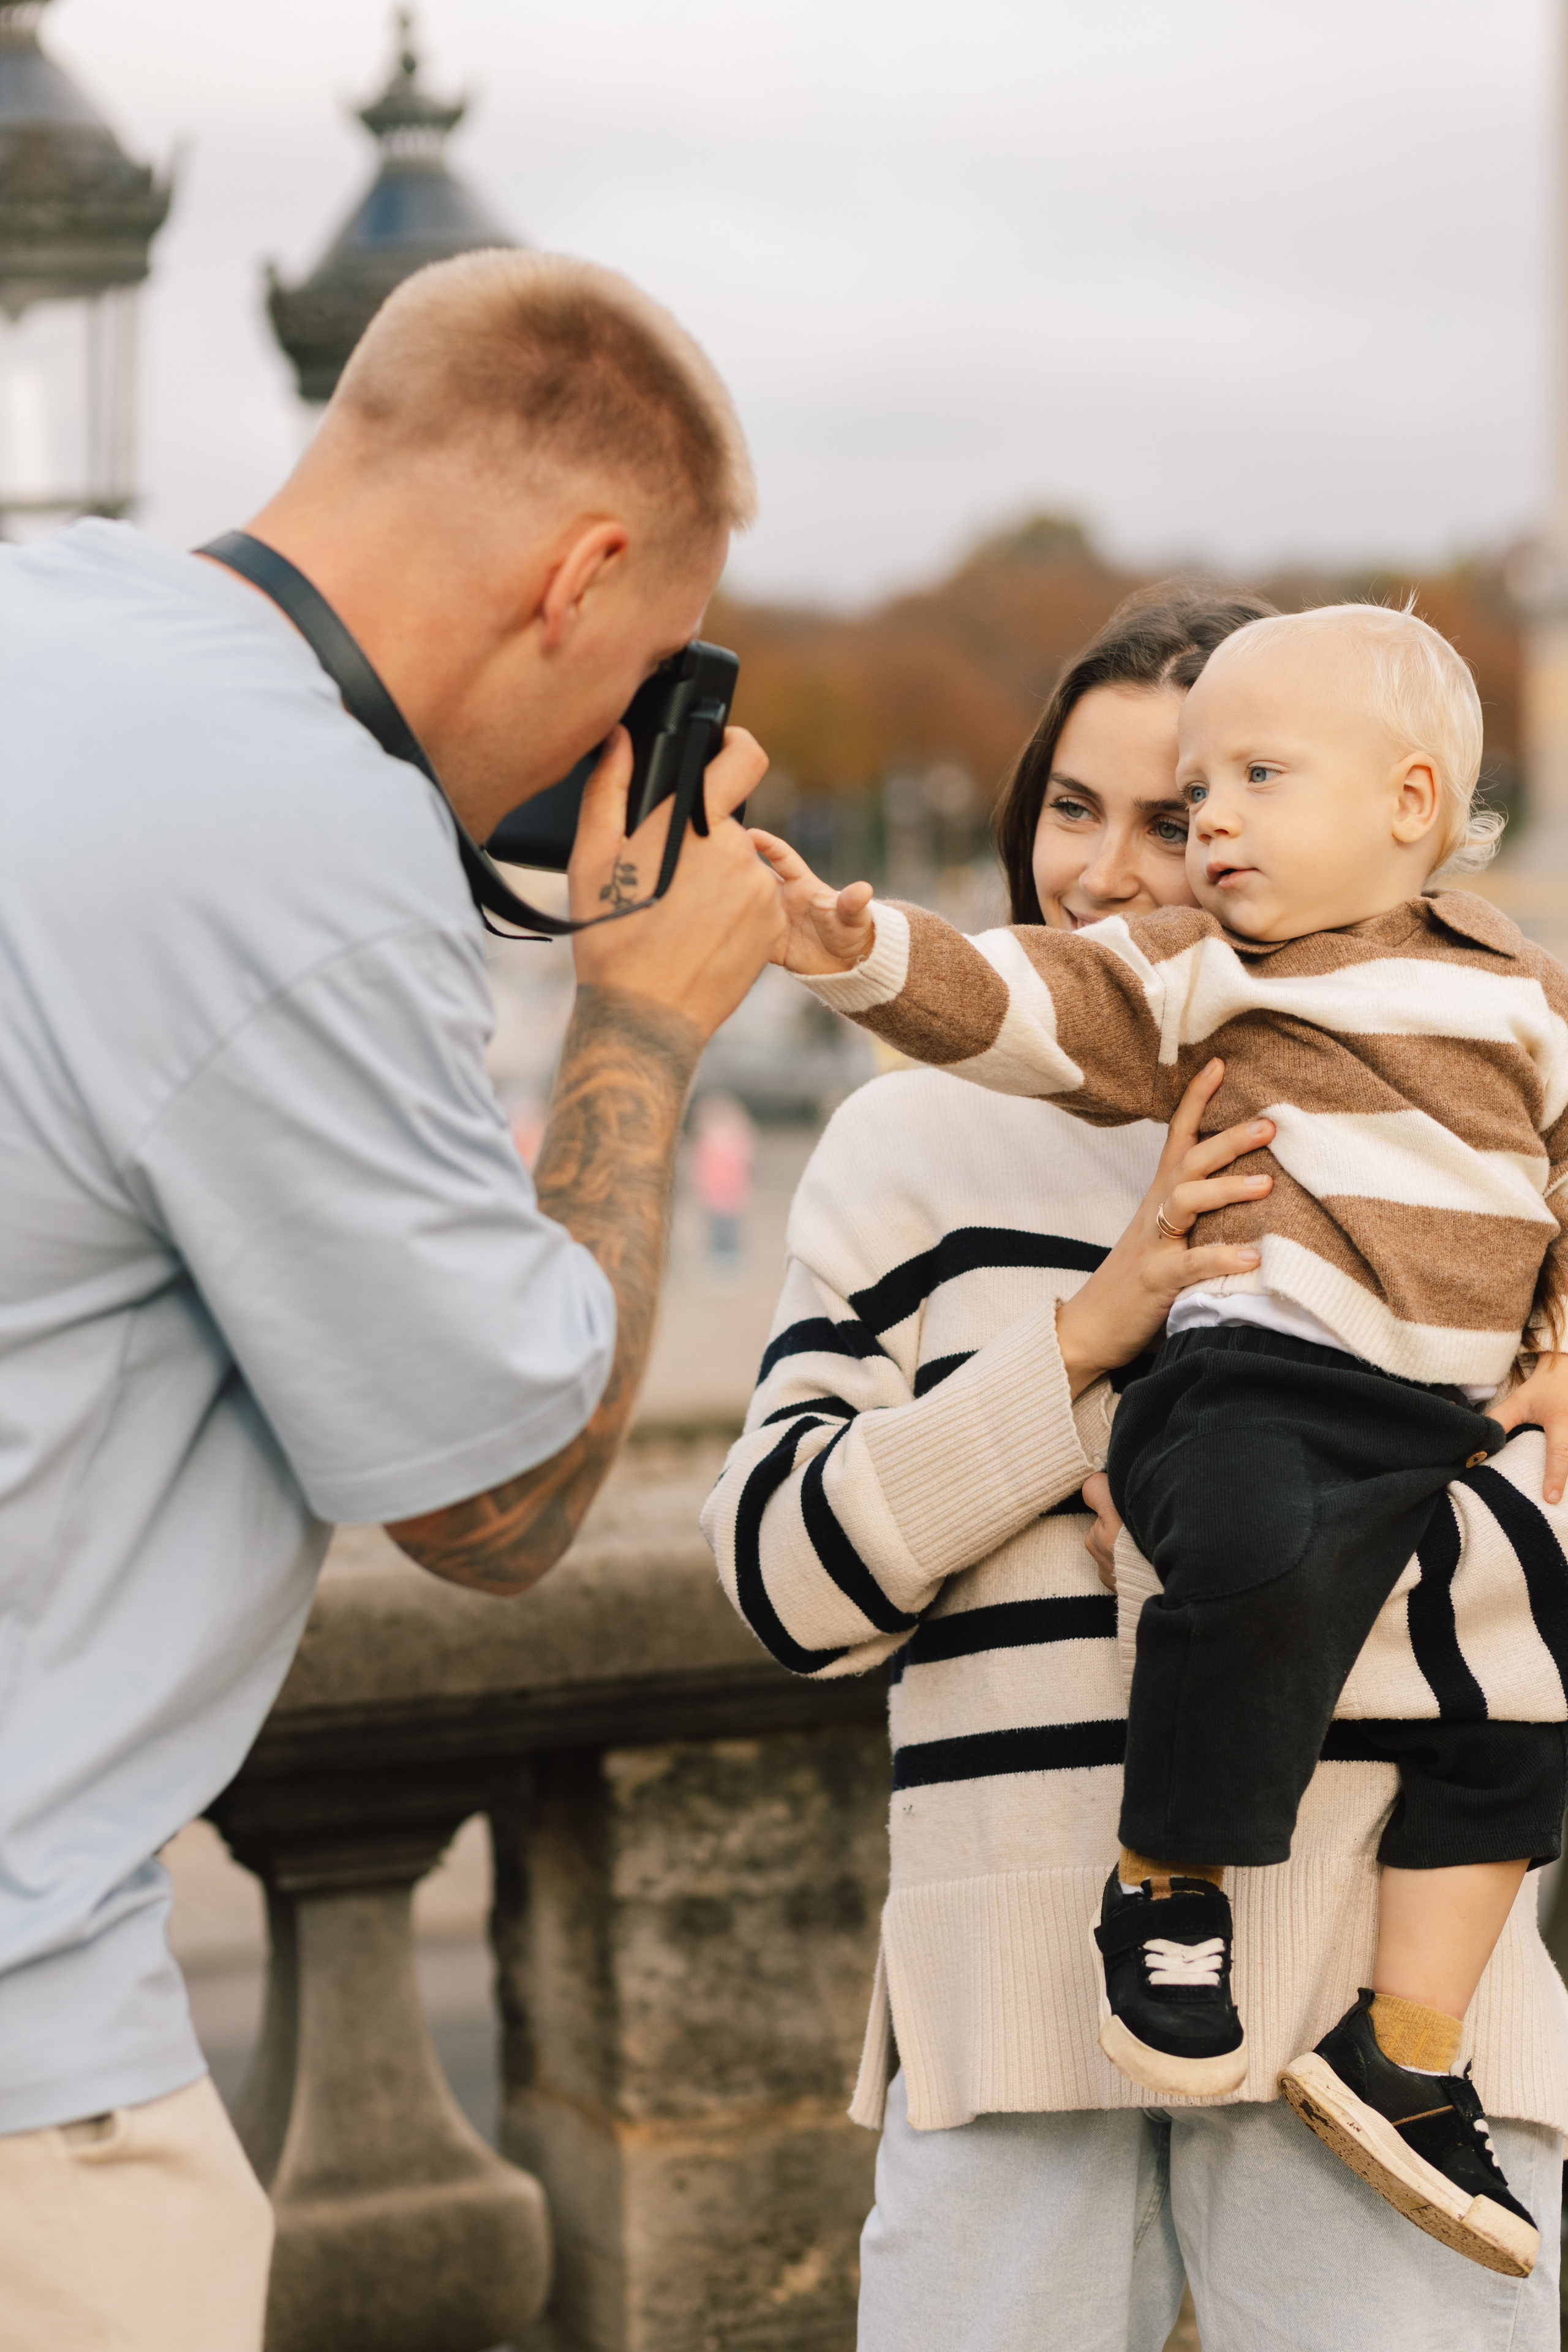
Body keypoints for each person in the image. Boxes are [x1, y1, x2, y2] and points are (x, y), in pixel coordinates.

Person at [0, 248, 784, 2352]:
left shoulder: (42, 617)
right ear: (584, 576)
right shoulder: (295, 833)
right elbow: (498, 1501)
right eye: (655, 669)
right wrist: (639, 1018)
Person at [703, 587, 1568, 2351]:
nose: (1108, 870)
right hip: (1013, 2027)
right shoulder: (908, 1143)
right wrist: (1085, 1349)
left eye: (1182, 814)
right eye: (1071, 807)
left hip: (1391, 2035)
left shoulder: (1460, 1120)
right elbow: (783, 1586)